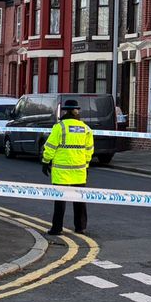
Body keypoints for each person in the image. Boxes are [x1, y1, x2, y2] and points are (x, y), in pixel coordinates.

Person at [42, 99, 93, 236]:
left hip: (61, 170)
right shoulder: (85, 128)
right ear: (77, 111)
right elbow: (89, 150)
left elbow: (50, 147)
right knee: (79, 200)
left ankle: (57, 228)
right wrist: (86, 165)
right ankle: (80, 227)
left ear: (65, 111)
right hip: (79, 169)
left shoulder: (60, 127)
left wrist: (45, 161)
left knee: (60, 201)